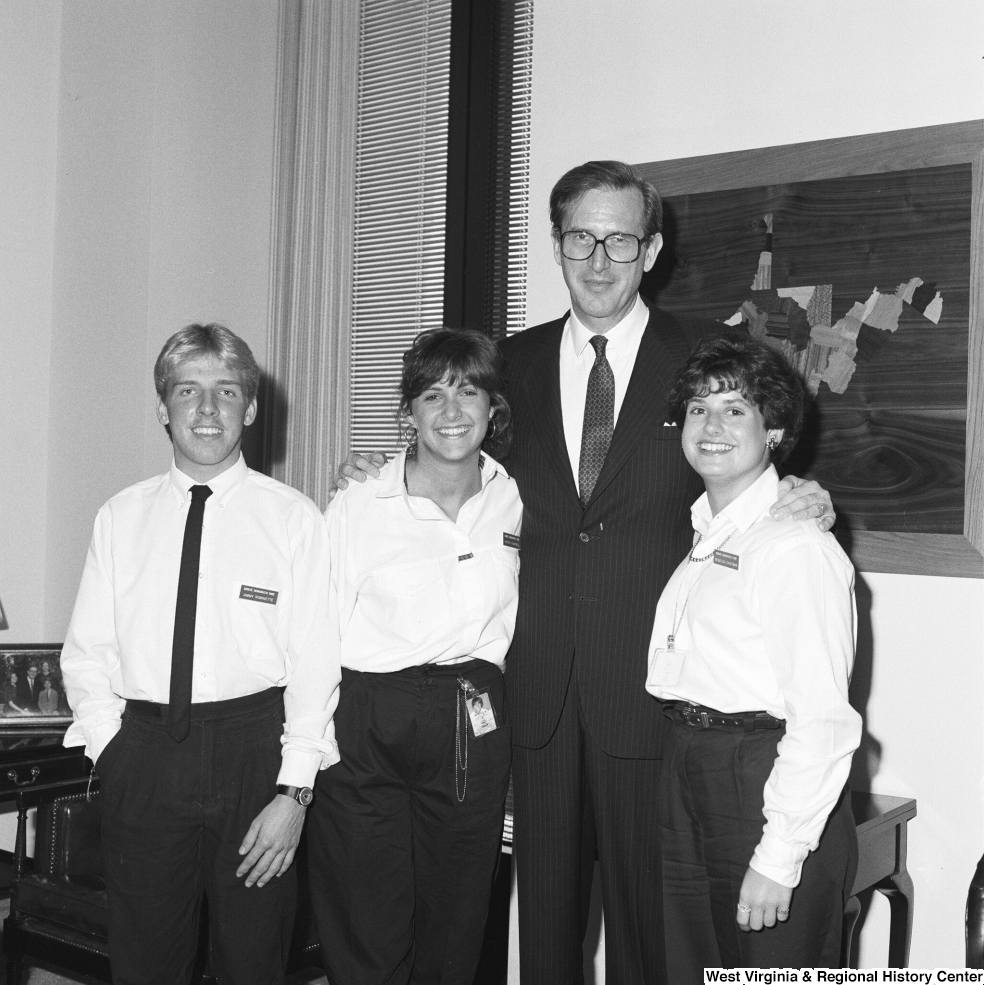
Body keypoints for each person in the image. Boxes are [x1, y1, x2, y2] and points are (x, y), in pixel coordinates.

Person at [338, 161, 835, 983]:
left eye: (620, 240)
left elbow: (745, 460)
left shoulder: (705, 357)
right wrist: (378, 468)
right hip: (537, 701)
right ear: (558, 244)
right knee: (546, 940)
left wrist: (807, 492)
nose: (599, 260)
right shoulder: (513, 366)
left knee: (652, 942)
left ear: (652, 249)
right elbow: (457, 460)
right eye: (580, 238)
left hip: (649, 702)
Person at [60, 323, 340, 985]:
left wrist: (293, 794)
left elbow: (315, 666)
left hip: (254, 754)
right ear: (163, 407)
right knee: (146, 961)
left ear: (250, 407)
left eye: (226, 391)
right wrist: (116, 751)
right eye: (188, 390)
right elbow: (86, 653)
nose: (207, 409)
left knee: (252, 958)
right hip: (147, 754)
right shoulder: (119, 519)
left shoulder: (294, 520)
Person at [309, 328, 521, 985]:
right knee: (365, 918)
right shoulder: (357, 502)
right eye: (432, 395)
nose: (452, 410)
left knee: (455, 924)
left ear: (493, 409)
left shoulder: (518, 496)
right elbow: (314, 632)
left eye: (469, 392)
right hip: (369, 719)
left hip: (470, 718)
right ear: (407, 414)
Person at [646, 335, 860, 976]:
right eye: (697, 409)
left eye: (734, 409)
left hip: (759, 781)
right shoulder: (707, 535)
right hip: (688, 768)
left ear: (773, 430)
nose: (710, 426)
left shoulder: (795, 547)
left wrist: (778, 858)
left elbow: (821, 718)